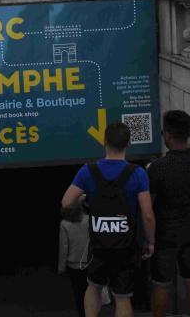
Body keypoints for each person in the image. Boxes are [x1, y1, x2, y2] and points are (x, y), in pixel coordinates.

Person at [61, 122, 156, 317]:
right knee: (122, 296)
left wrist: (85, 199)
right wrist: (150, 241)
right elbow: (147, 214)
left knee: (94, 286)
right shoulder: (138, 173)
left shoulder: (88, 171)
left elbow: (66, 203)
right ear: (128, 144)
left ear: (104, 141)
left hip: (99, 244)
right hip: (126, 246)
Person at [148, 110, 190, 317]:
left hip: (164, 236)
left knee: (161, 284)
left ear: (167, 135)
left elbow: (149, 204)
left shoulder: (157, 167)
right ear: (188, 133)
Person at [59, 198, 91, 317]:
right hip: (89, 261)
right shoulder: (89, 220)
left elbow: (64, 246)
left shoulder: (64, 223)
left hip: (73, 263)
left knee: (78, 293)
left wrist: (61, 267)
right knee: (91, 292)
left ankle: (82, 314)